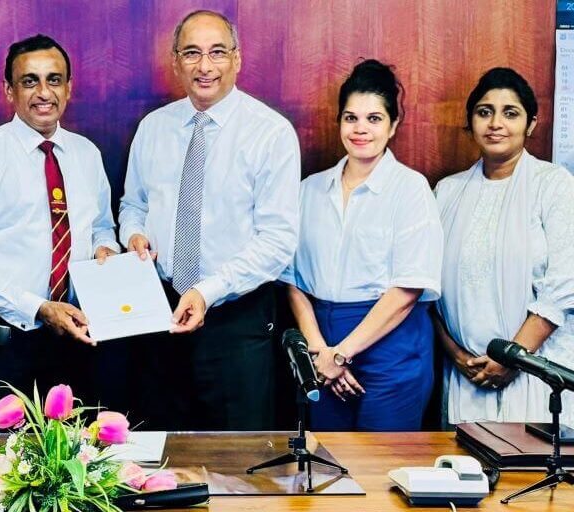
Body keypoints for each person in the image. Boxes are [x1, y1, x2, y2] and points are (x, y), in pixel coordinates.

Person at [118, 10, 300, 430]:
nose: (205, 66)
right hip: (159, 314)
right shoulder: (154, 128)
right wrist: (135, 234)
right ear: (175, 60)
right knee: (162, 457)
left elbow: (277, 241)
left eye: (217, 53)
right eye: (192, 53)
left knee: (237, 465)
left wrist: (207, 290)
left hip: (235, 321)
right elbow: (133, 205)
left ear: (236, 59)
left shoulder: (270, 133)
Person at [0, 34, 120, 402]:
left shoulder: (86, 154)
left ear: (69, 88)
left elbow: (102, 226)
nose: (44, 92)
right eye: (30, 81)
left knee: (79, 453)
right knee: (9, 458)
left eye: (54, 79)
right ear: (9, 91)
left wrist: (106, 248)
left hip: (78, 338)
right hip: (8, 339)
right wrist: (40, 308)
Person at [281, 59, 443, 431]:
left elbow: (408, 288)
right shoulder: (310, 190)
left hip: (390, 347)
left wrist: (343, 353)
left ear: (393, 125)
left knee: (385, 470)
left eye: (374, 119)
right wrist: (322, 351)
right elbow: (292, 278)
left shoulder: (410, 188)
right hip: (320, 344)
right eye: (351, 118)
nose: (360, 129)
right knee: (329, 470)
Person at [436, 67, 574, 426]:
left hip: (537, 371)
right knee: (464, 476)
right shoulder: (447, 192)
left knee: (533, 477)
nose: (495, 123)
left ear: (531, 124)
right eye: (484, 112)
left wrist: (512, 358)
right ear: (470, 121)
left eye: (510, 113)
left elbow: (564, 286)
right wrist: (456, 355)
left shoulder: (553, 185)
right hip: (466, 374)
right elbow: (426, 291)